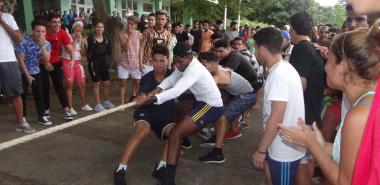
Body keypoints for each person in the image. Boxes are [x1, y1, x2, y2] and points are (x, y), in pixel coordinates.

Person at [279, 21, 380, 185]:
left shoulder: (359, 114)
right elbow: (357, 158)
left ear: (342, 66)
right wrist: (321, 144)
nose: (325, 67)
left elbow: (345, 181)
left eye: (329, 60)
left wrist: (311, 144)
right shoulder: (366, 101)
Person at [134, 43, 223, 185]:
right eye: (175, 61)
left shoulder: (195, 69)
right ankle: (184, 136)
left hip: (210, 106)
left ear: (189, 57)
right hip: (199, 102)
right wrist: (151, 93)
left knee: (175, 134)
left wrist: (152, 99)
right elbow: (170, 80)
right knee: (174, 109)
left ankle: (168, 179)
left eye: (179, 62)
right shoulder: (184, 64)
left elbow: (177, 90)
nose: (177, 65)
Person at [113, 45, 177, 185]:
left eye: (161, 60)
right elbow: (142, 96)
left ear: (168, 60)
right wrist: (141, 98)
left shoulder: (175, 75)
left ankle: (161, 167)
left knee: (175, 134)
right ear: (151, 61)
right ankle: (120, 169)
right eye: (155, 60)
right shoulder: (147, 78)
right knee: (141, 132)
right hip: (146, 112)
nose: (158, 64)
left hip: (165, 115)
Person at [251, 27, 306, 185]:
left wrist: (261, 150)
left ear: (262, 49)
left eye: (255, 48)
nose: (255, 53)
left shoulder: (278, 75)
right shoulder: (284, 68)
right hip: (279, 143)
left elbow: (277, 115)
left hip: (284, 150)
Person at [197, 51, 256, 163]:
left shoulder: (219, 74)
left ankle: (218, 153)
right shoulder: (215, 70)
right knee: (217, 111)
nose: (202, 68)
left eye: (204, 65)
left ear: (214, 64)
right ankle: (217, 137)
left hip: (248, 95)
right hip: (237, 94)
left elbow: (205, 89)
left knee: (222, 117)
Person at [288, 12, 325, 185]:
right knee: (308, 158)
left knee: (302, 161)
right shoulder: (312, 47)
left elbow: (300, 85)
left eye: (290, 30)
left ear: (294, 29)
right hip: (313, 111)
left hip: (304, 115)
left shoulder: (301, 48)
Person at [0, 1, 33, 133]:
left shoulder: (8, 17)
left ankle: (21, 122)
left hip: (8, 60)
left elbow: (19, 38)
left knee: (15, 93)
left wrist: (2, 21)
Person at [16, 19, 52, 127]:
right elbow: (20, 61)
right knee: (23, 94)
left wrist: (42, 46)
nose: (40, 33)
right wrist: (27, 76)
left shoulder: (46, 43)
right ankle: (22, 117)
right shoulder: (23, 42)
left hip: (36, 70)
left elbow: (46, 60)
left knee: (39, 94)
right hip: (22, 71)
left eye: (43, 31)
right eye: (38, 31)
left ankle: (41, 116)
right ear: (33, 31)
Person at [42, 13, 75, 120]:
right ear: (48, 23)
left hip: (55, 62)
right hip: (41, 62)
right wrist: (45, 62)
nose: (57, 24)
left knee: (59, 85)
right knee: (45, 86)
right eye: (54, 22)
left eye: (59, 22)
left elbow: (70, 49)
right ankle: (46, 109)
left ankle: (66, 110)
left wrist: (73, 60)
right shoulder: (43, 32)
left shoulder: (62, 33)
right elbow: (36, 52)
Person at [61, 21, 92, 114]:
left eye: (81, 27)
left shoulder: (81, 38)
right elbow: (70, 49)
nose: (80, 28)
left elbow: (83, 53)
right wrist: (76, 40)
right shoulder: (67, 36)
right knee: (69, 84)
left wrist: (82, 42)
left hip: (78, 61)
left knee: (82, 84)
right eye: (78, 26)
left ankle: (84, 104)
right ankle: (70, 107)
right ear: (73, 27)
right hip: (67, 60)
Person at [87, 21, 115, 112]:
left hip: (103, 62)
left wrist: (108, 60)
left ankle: (106, 101)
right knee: (97, 83)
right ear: (95, 28)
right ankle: (97, 104)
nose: (100, 29)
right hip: (93, 62)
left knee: (106, 82)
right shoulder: (91, 38)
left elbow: (109, 50)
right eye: (98, 27)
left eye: (102, 27)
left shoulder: (106, 38)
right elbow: (92, 51)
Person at [118, 16, 142, 105]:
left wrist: (140, 62)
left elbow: (141, 49)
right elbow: (125, 48)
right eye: (128, 23)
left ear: (136, 25)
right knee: (122, 84)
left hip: (135, 64)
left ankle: (136, 101)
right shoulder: (121, 34)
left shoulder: (140, 34)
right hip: (124, 64)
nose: (129, 26)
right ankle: (122, 103)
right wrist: (130, 35)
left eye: (132, 24)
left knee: (137, 84)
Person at [139, 10, 171, 75]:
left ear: (166, 20)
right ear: (156, 19)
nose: (160, 21)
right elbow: (142, 47)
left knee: (159, 84)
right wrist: (140, 62)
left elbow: (167, 50)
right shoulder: (147, 31)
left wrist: (169, 63)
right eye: (159, 19)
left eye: (163, 19)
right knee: (146, 84)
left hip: (161, 64)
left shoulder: (168, 34)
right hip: (147, 64)